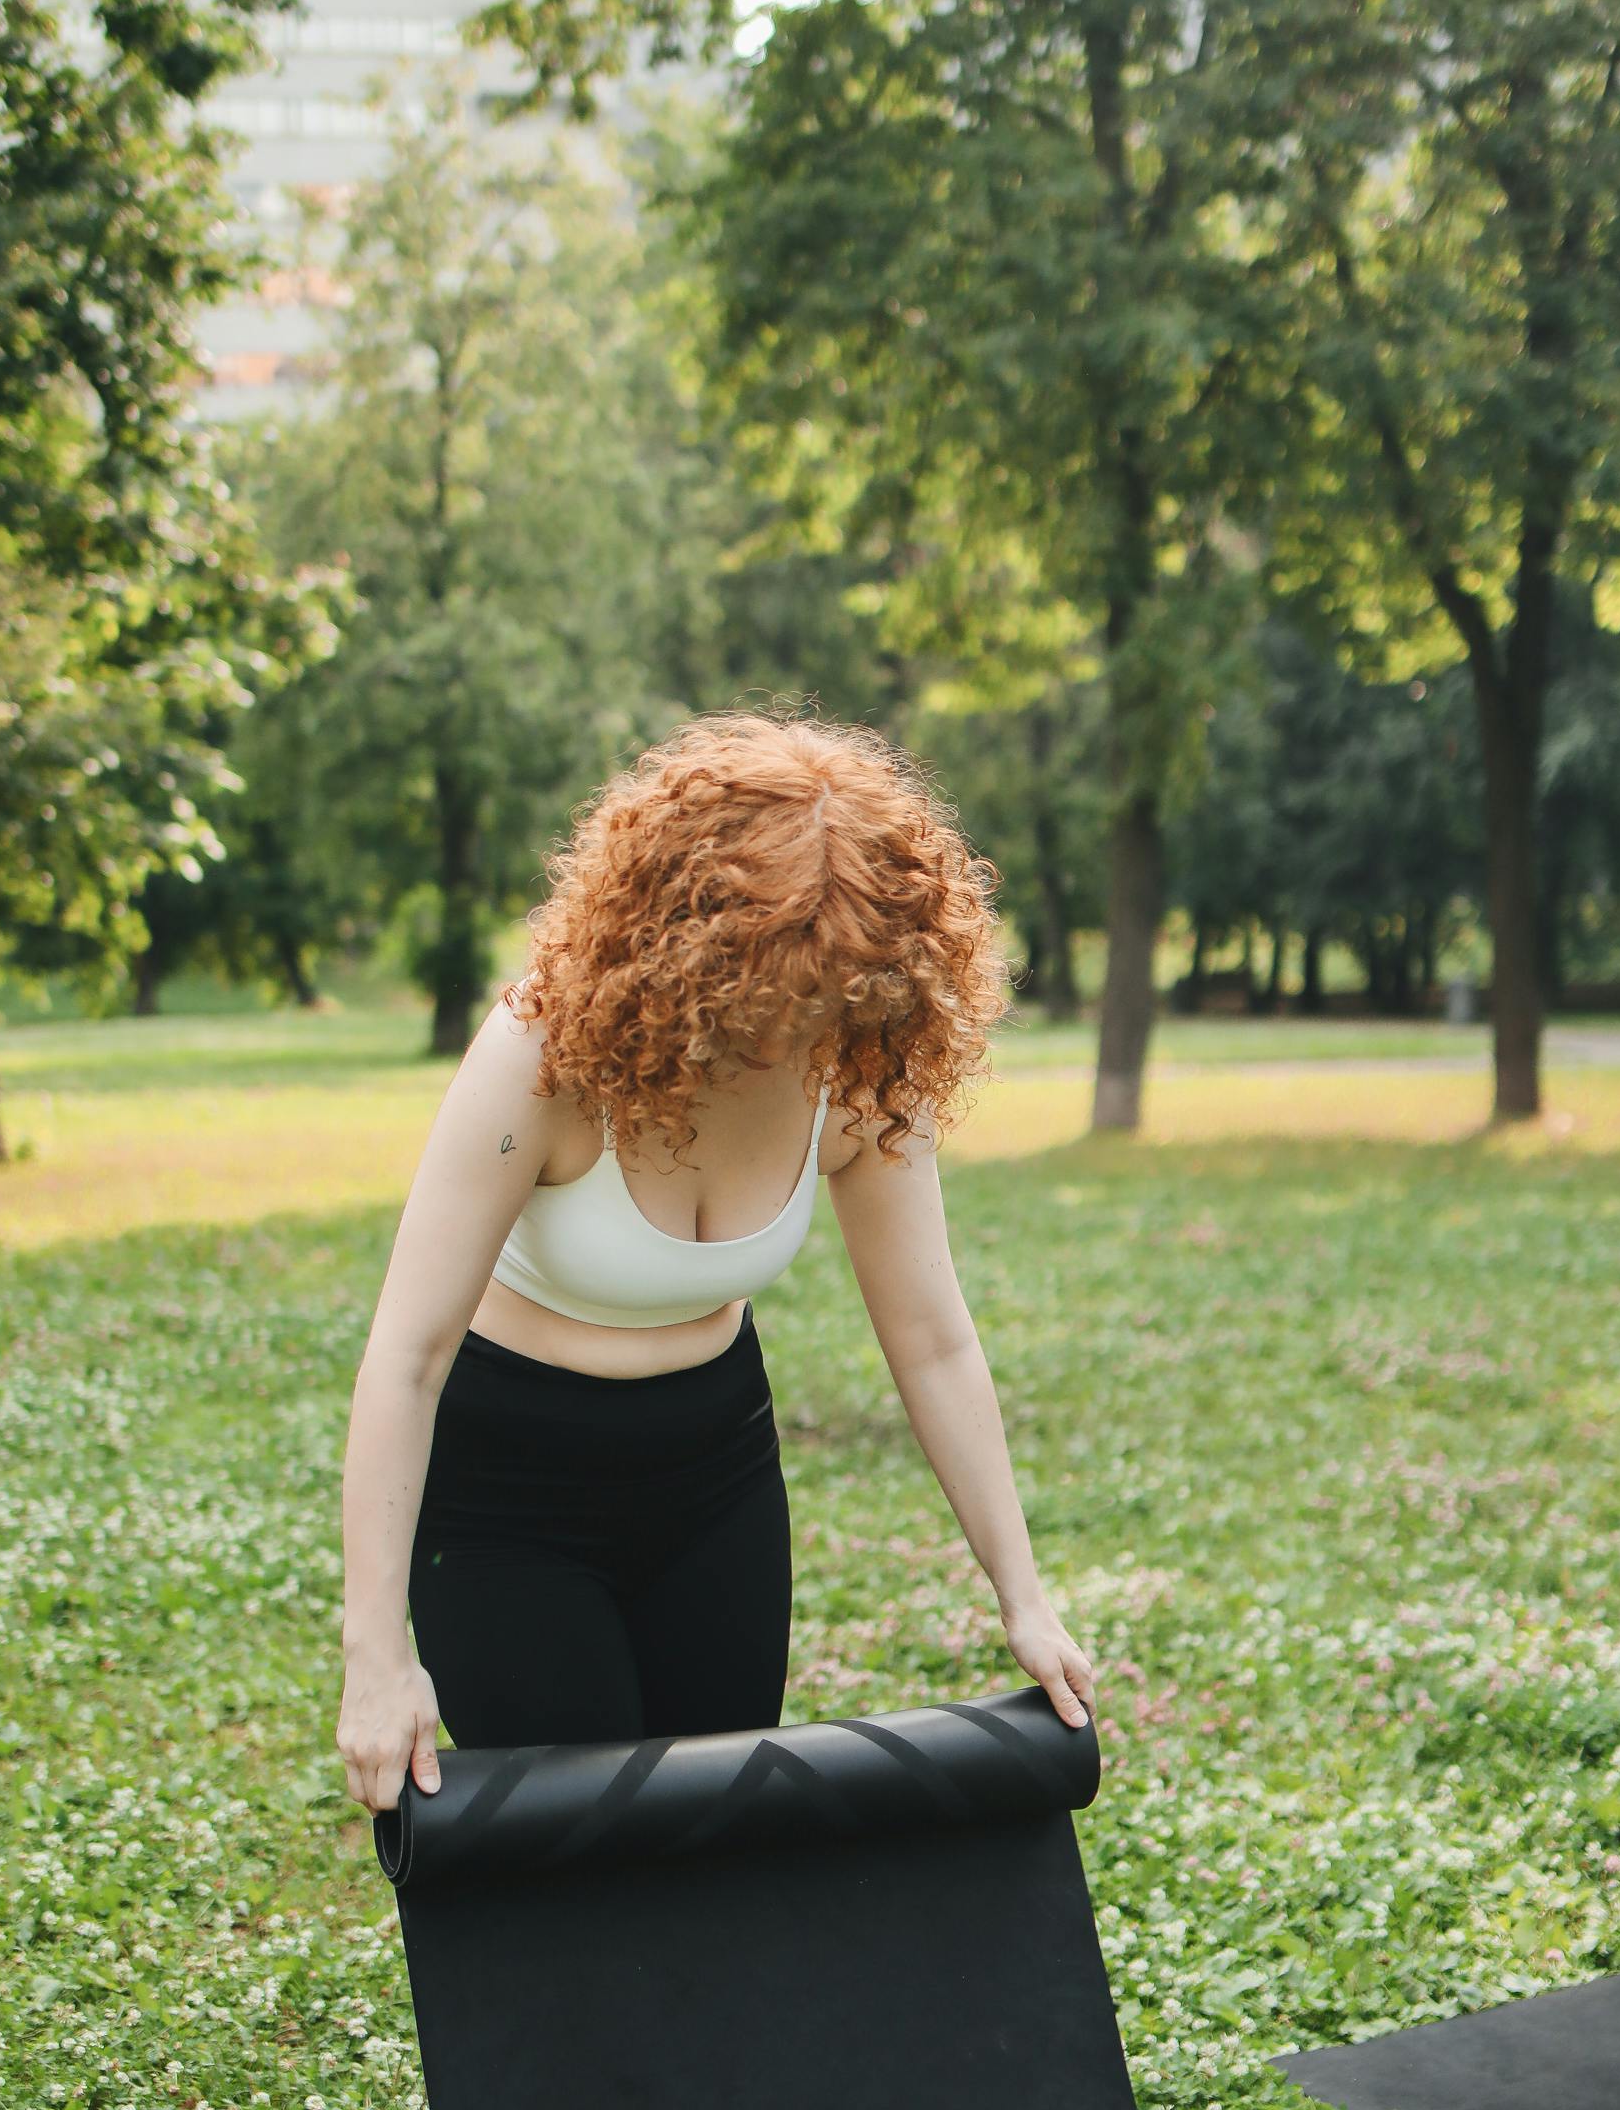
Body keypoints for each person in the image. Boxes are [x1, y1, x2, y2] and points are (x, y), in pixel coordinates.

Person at [336, 713, 1096, 1815]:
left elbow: (932, 1342)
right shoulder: (539, 1058)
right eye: (771, 993)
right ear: (677, 938)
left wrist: (1020, 1595)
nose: (792, 1037)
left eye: (829, 996)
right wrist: (375, 1654)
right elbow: (407, 1356)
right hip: (507, 1491)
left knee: (718, 1835)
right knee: (584, 1853)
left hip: (712, 1472)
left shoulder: (856, 1060)